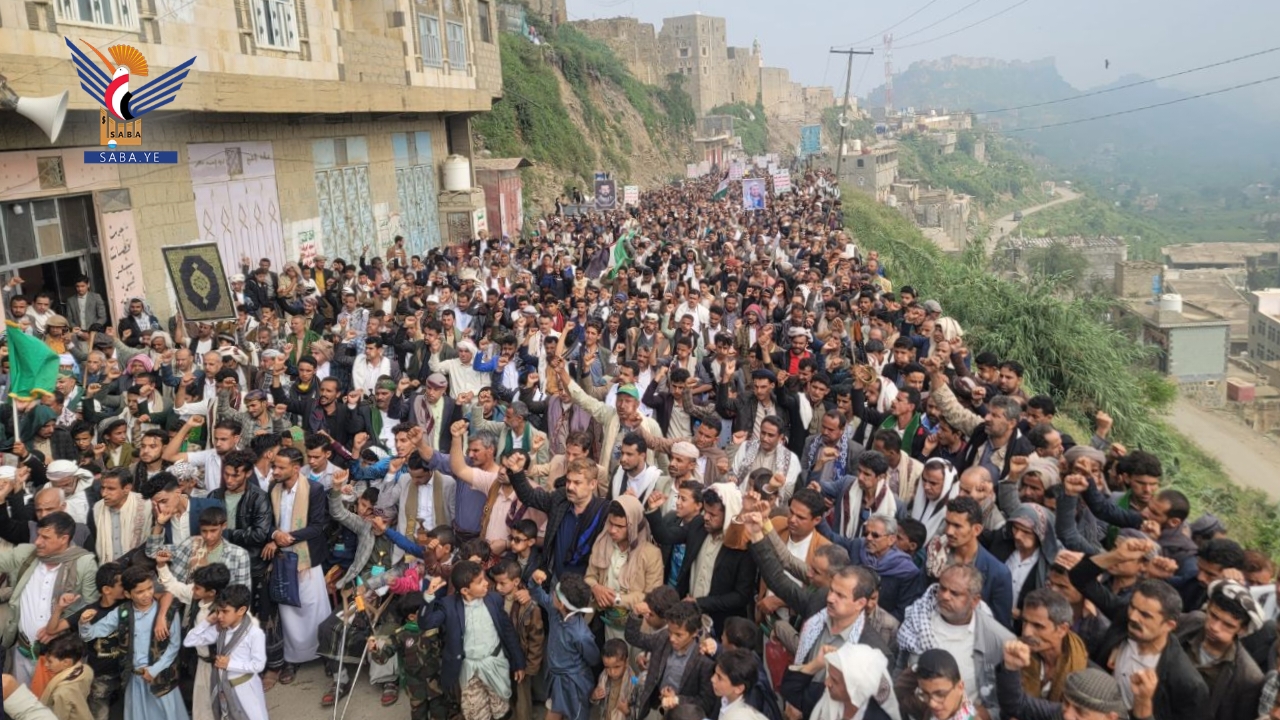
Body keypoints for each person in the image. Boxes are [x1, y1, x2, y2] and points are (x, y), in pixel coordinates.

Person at [420, 561, 527, 720]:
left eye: (484, 578)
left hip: (495, 663)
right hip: (469, 669)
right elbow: (426, 623)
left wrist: (518, 662)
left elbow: (508, 631)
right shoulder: (448, 605)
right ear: (465, 590)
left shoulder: (494, 599)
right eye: (480, 582)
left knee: (501, 710)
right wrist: (428, 596)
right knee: (476, 713)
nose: (486, 583)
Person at [78, 565, 187, 720]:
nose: (147, 594)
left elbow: (174, 646)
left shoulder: (167, 614)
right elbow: (89, 634)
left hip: (161, 680)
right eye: (140, 592)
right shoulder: (122, 612)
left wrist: (155, 669)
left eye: (149, 588)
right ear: (128, 594)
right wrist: (84, 623)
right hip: (134, 680)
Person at [183, 584, 268, 720]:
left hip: (246, 688)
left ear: (241, 610)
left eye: (225, 611)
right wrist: (207, 622)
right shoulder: (220, 630)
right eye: (218, 611)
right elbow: (189, 640)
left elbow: (258, 665)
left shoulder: (254, 634)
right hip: (223, 687)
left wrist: (230, 664)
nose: (220, 616)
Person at [527, 569, 599, 720]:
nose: (552, 593)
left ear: (561, 604)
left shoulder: (581, 634)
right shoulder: (555, 610)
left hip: (574, 683)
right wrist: (534, 580)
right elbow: (537, 593)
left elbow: (593, 658)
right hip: (556, 679)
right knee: (553, 712)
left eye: (555, 592)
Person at [38, 633, 93, 720]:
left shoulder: (62, 692)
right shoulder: (86, 670)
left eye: (50, 661)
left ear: (66, 663)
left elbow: (59, 717)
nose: (46, 664)